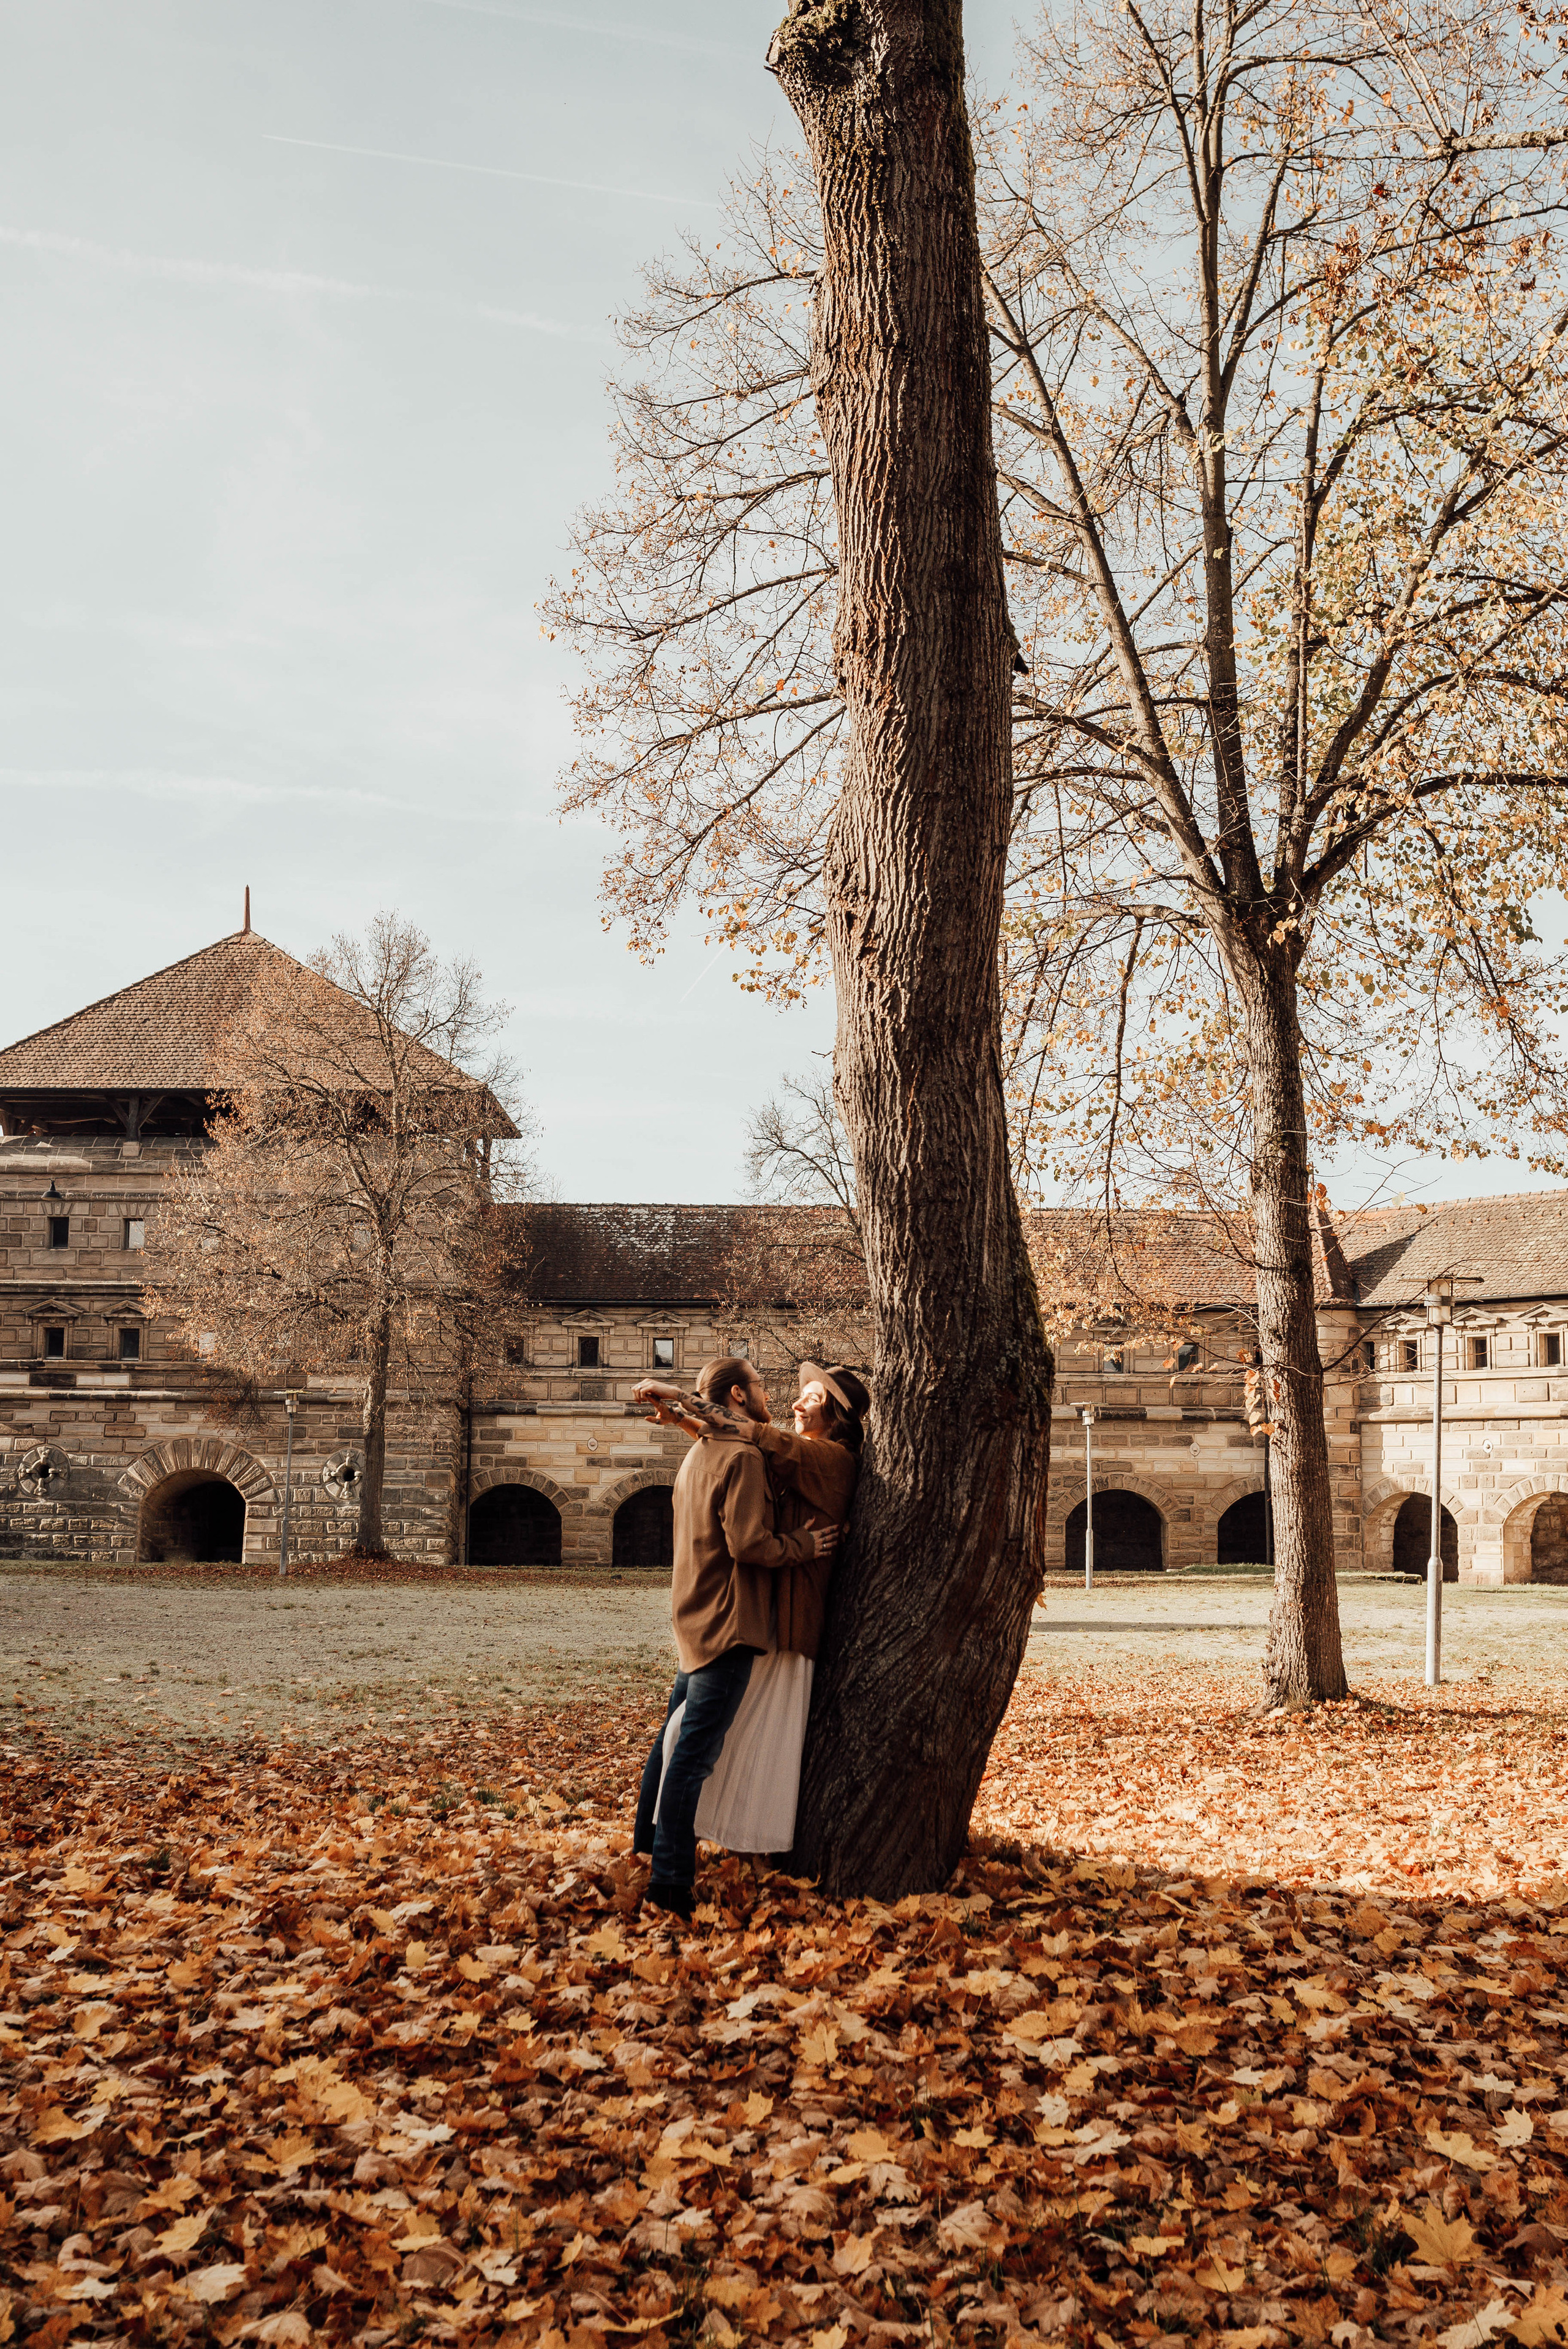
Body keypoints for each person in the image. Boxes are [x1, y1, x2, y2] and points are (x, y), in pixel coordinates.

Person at [633, 1361, 869, 1863]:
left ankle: (733, 1849)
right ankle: (666, 1848)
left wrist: (680, 1395)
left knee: (747, 1747)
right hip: (762, 1617)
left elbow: (754, 1437)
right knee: (697, 1738)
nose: (794, 1404)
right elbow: (746, 1449)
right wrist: (684, 1421)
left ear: (833, 1408)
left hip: (789, 1623)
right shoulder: (801, 1456)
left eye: (809, 1396)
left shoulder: (833, 1460)